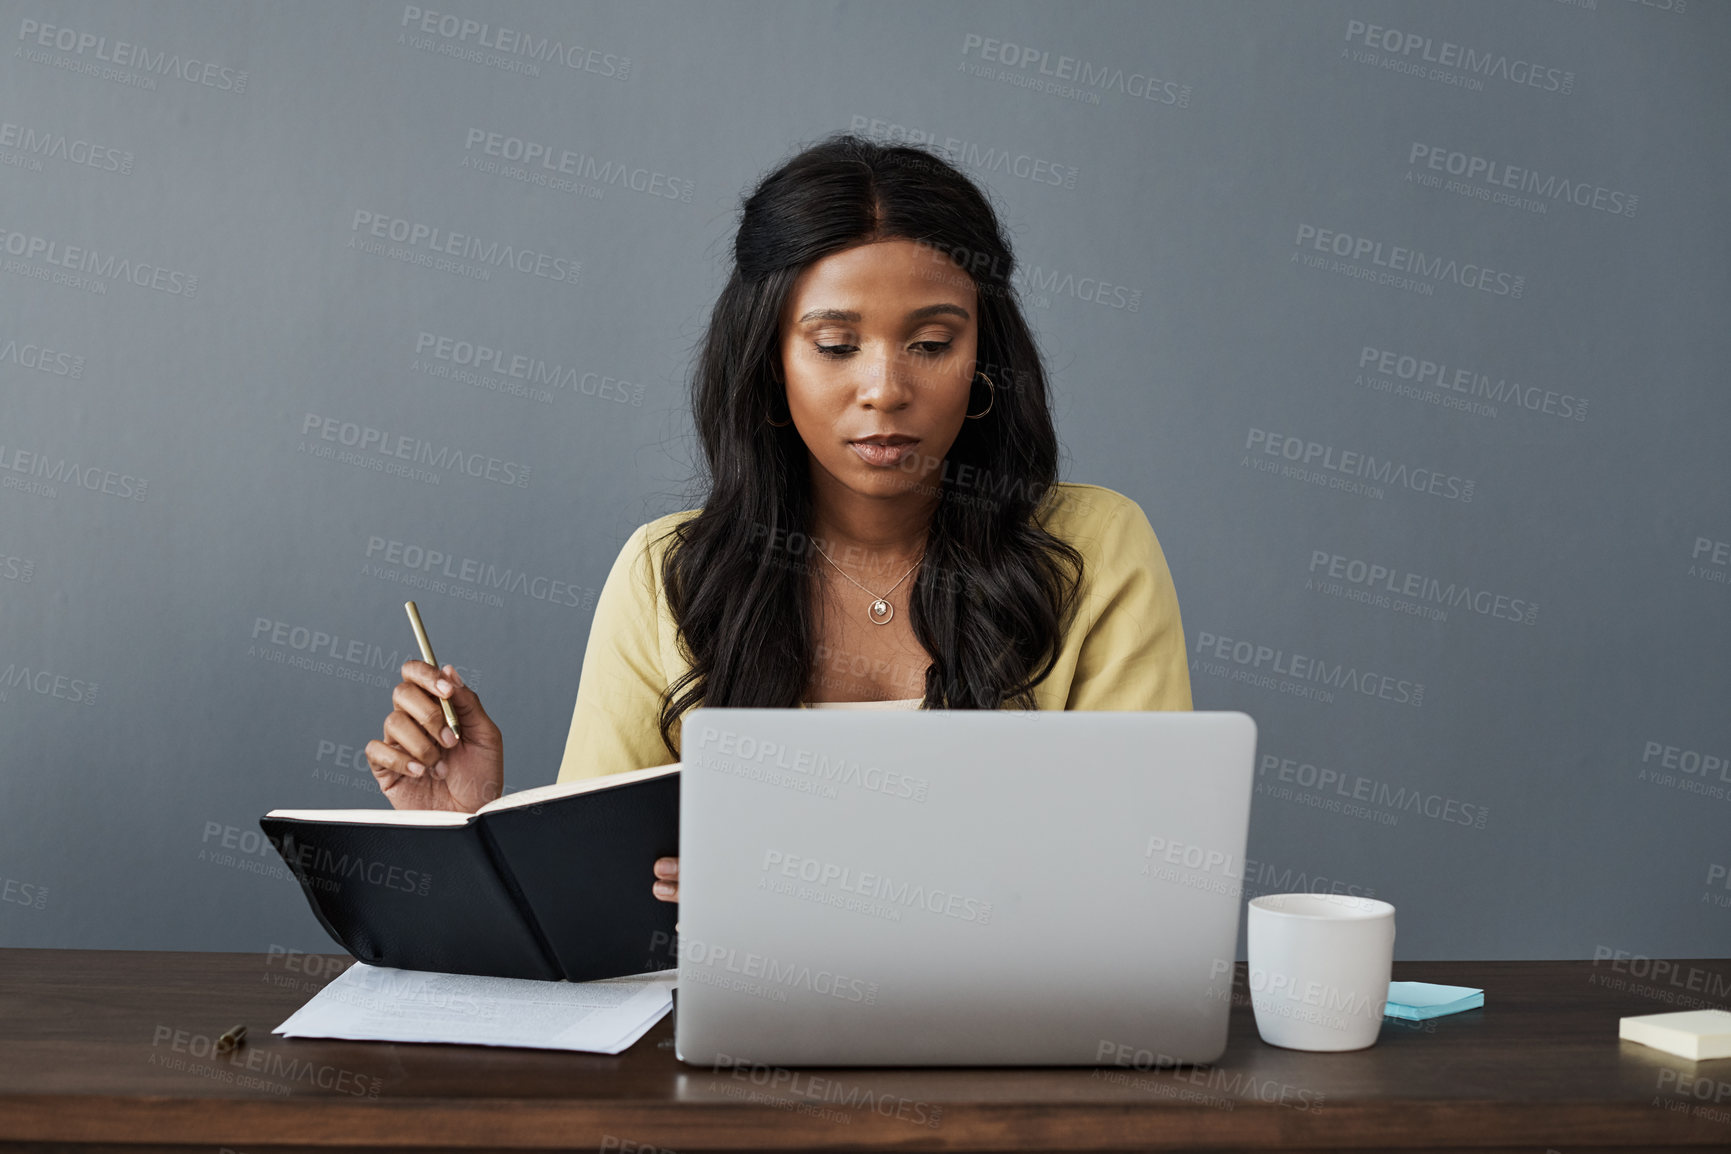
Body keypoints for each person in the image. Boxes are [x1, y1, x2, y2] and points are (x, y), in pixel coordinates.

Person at [365, 133, 1192, 908]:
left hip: (1018, 1040)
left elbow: (1146, 882)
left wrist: (819, 890)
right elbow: (604, 910)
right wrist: (463, 829)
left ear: (984, 358)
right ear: (770, 361)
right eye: (835, 345)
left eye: (932, 344)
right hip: (727, 1039)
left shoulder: (1090, 549)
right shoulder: (668, 572)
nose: (884, 389)